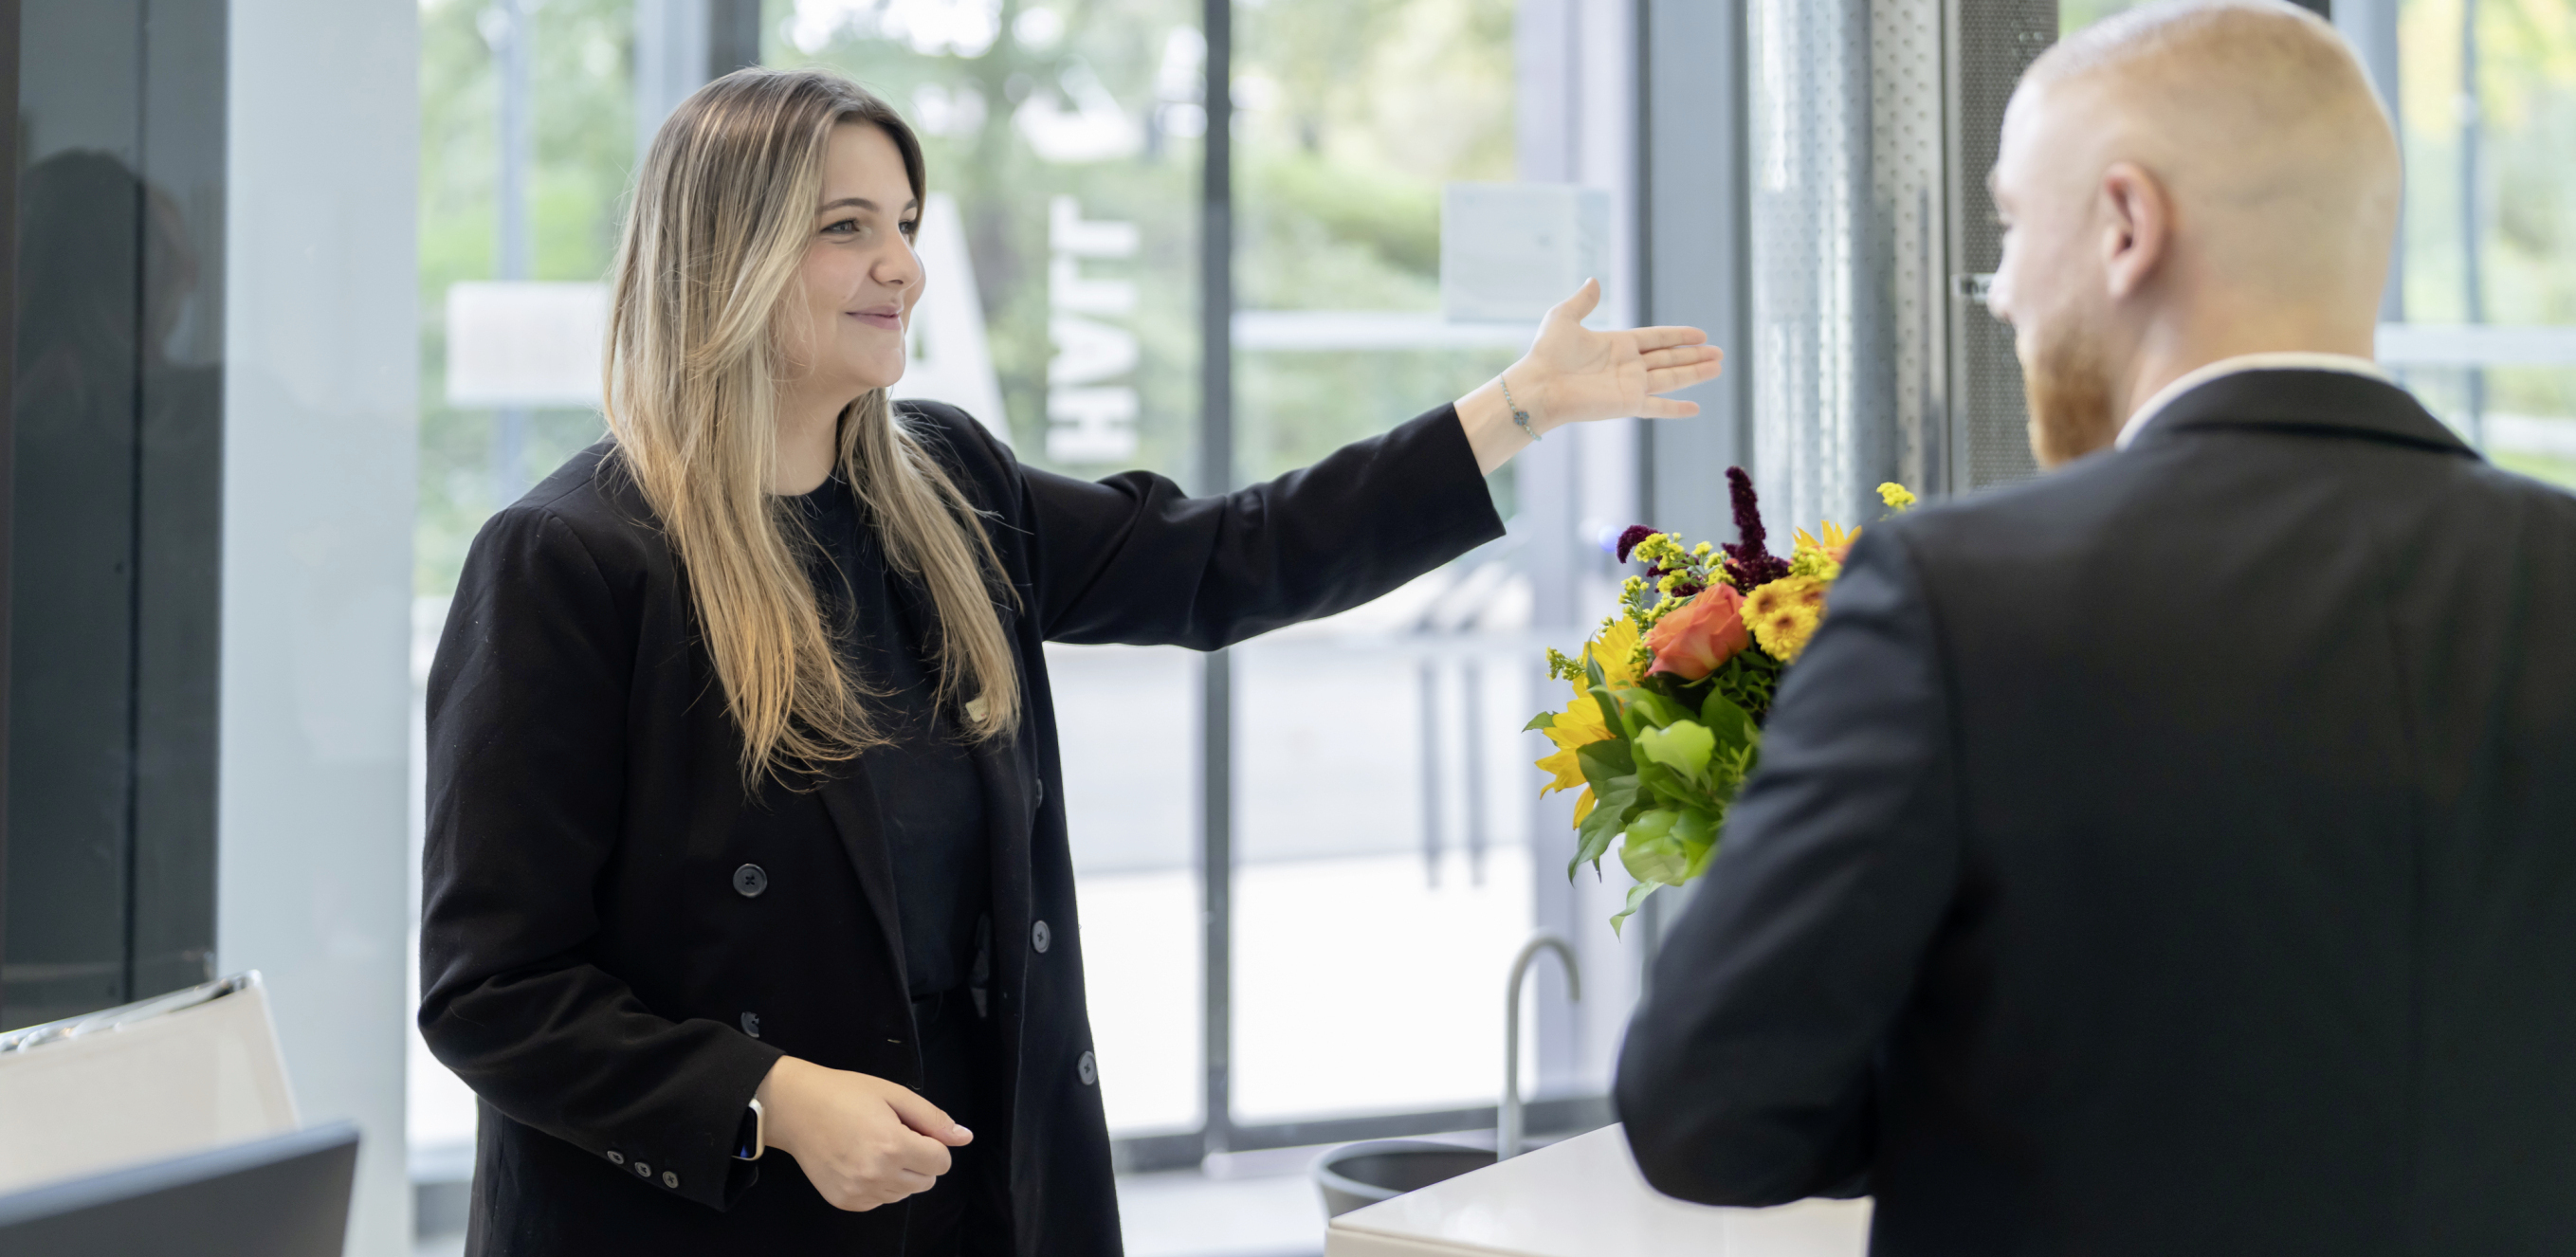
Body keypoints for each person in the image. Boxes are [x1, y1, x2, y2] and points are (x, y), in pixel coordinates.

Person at [419, 67, 1721, 1256]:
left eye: (907, 225)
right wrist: (771, 1098)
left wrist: (1517, 405)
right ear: (724, 254)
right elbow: (493, 989)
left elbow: (1228, 560)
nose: (902, 266)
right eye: (847, 227)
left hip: (973, 1200)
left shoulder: (947, 492)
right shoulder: (567, 560)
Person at [1617, 2, 2576, 1253]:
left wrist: (1972, 1083)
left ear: (2127, 225)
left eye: (2012, 224)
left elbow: (1702, 1107)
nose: (2003, 292)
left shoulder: (1947, 595)